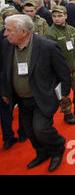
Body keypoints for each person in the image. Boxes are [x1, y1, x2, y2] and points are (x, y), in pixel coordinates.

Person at [1, 14, 71, 172]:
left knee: (41, 129)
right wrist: (5, 92)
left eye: (9, 30)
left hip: (43, 97)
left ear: (23, 32)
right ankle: (42, 153)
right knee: (30, 131)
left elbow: (63, 72)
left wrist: (62, 94)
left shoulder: (47, 46)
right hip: (21, 99)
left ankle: (58, 148)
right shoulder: (6, 45)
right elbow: (4, 71)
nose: (5, 34)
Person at [44, 6, 75, 125]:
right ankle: (67, 112)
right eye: (54, 16)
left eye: (59, 16)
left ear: (65, 16)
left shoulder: (72, 29)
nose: (57, 19)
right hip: (61, 70)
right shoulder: (50, 34)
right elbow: (49, 55)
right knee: (64, 93)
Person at [0, 8, 27, 150]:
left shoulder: (25, 37)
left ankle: (23, 132)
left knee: (23, 108)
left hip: (21, 81)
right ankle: (8, 137)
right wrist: (3, 89)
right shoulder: (3, 40)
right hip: (6, 82)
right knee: (5, 111)